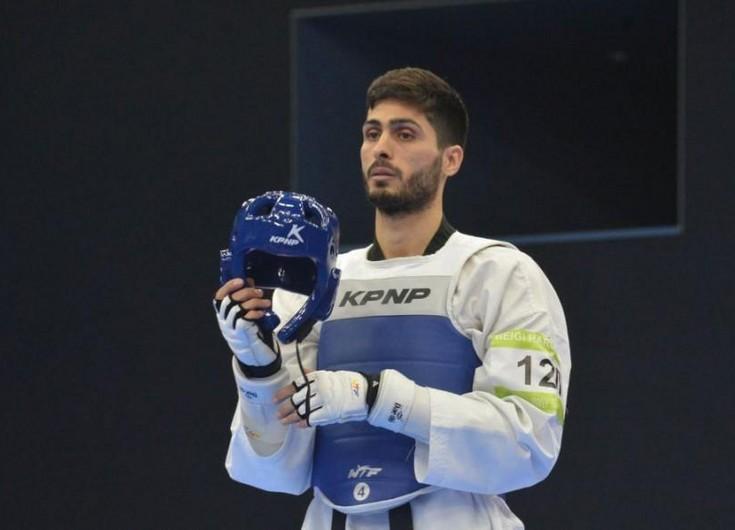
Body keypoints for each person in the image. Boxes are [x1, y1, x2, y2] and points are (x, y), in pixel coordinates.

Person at [214, 67, 571, 530]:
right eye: (372, 133)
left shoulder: (498, 273)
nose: (381, 148)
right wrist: (258, 370)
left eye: (405, 134)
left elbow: (528, 444)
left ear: (451, 159)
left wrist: (377, 397)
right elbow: (271, 472)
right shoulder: (318, 286)